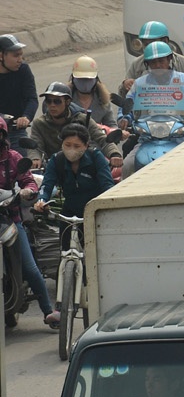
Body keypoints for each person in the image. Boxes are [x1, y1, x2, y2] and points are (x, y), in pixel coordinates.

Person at [0, 141, 57, 328]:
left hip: (10, 219)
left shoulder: (14, 158)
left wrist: (28, 191)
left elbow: (28, 181)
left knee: (30, 267)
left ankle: (48, 311)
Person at [40, 121, 113, 219]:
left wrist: (109, 203)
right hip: (69, 209)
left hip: (94, 210)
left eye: (77, 146)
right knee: (64, 232)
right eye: (67, 145)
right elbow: (46, 185)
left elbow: (107, 184)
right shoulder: (56, 159)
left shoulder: (96, 157)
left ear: (86, 145)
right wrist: (41, 201)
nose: (71, 149)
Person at [29, 83, 113, 162]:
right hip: (53, 169)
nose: (52, 105)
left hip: (84, 167)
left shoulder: (83, 119)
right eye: (48, 101)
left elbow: (102, 139)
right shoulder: (39, 123)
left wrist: (114, 154)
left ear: (67, 102)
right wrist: (35, 158)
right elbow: (35, 146)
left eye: (57, 101)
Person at [122, 21, 184, 92]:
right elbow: (125, 95)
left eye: (153, 43)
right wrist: (125, 84)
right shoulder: (136, 66)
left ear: (165, 41)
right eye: (146, 44)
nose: (150, 48)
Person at [0, 35, 37, 155]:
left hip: (16, 131)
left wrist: (26, 117)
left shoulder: (24, 70)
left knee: (22, 164)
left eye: (21, 55)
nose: (20, 59)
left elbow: (32, 98)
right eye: (16, 55)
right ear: (1, 56)